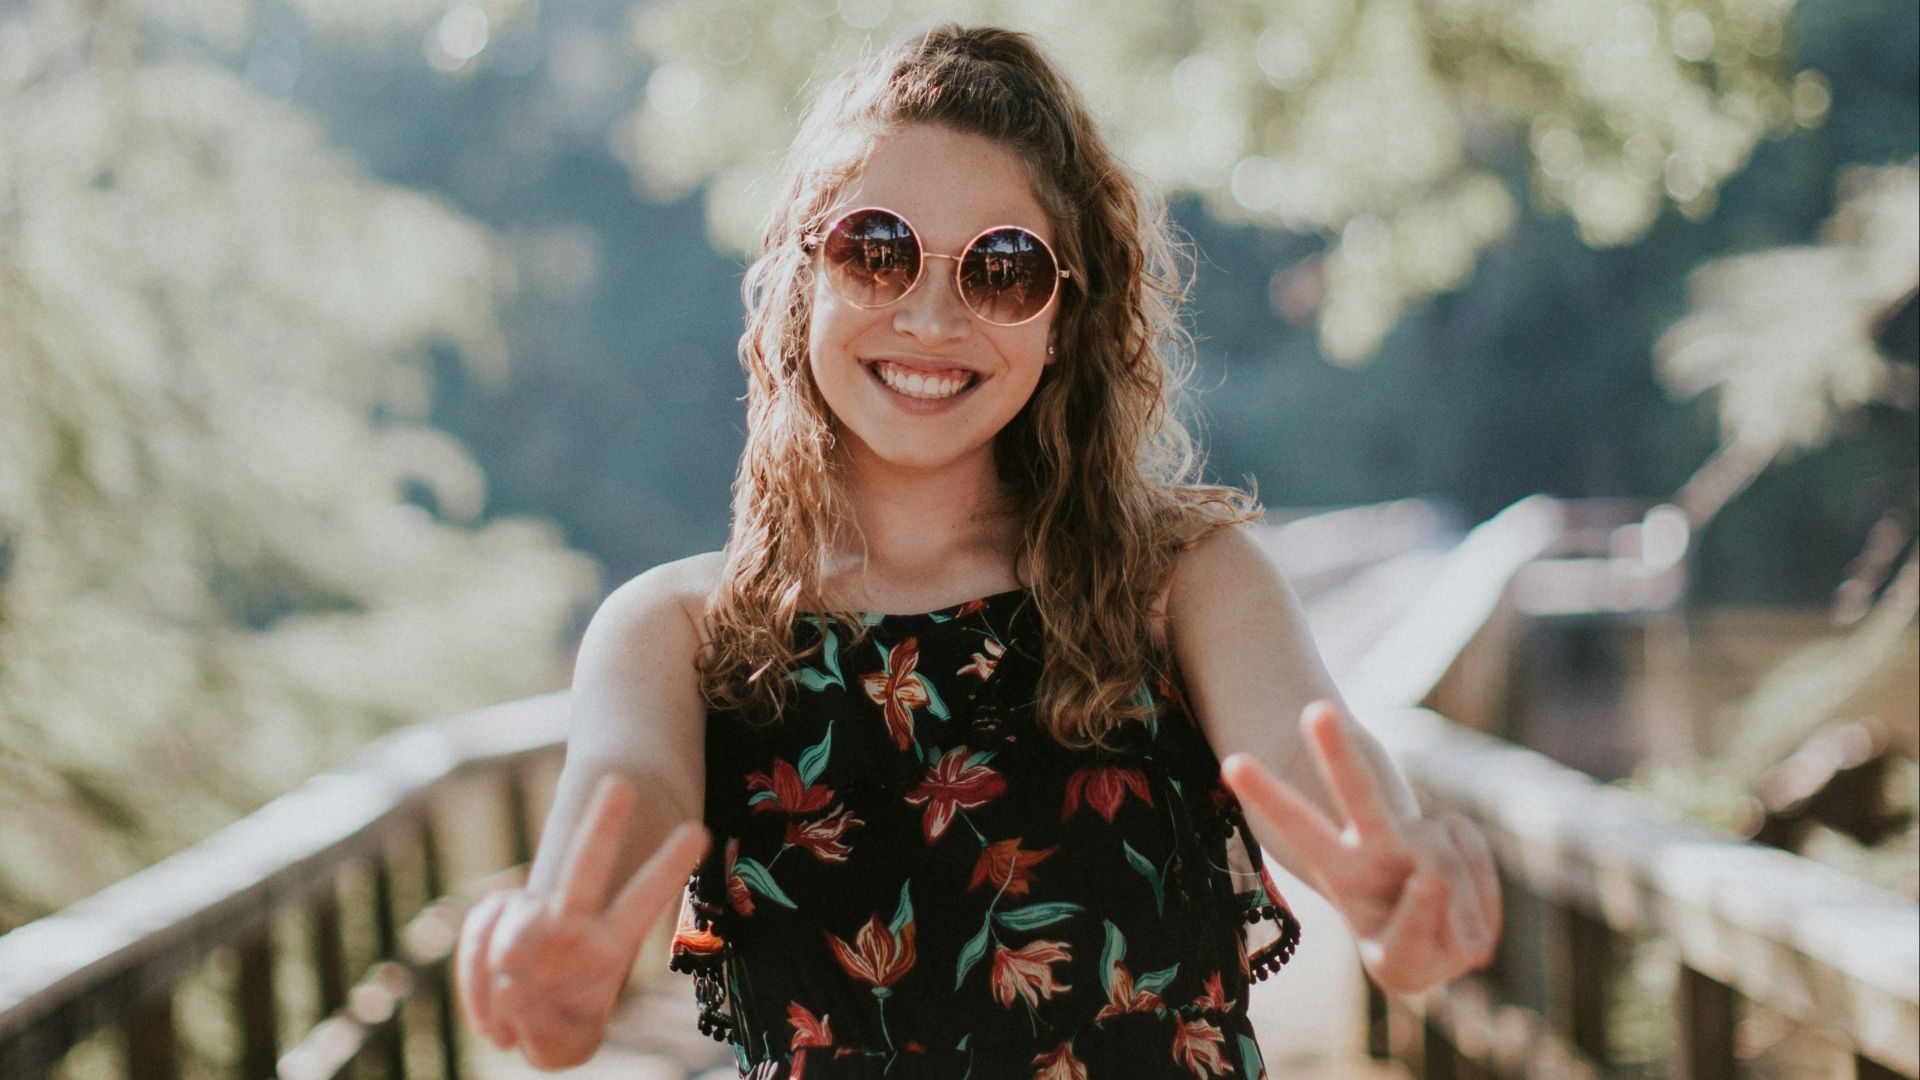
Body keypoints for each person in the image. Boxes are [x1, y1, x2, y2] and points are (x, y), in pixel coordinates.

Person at [455, 23, 1500, 1080]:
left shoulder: (1186, 584)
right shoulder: (674, 636)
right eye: (877, 250)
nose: (932, 315)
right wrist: (562, 968)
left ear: (1065, 315)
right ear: (800, 272)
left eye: (1002, 270)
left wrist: (1396, 896)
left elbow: (1304, 761)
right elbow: (623, 811)